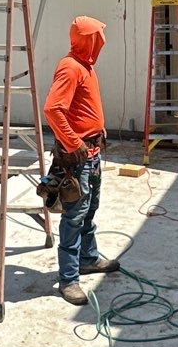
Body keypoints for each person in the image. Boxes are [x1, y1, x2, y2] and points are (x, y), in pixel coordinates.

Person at [42, 16, 120, 306]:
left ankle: (88, 258)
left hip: (92, 153)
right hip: (78, 159)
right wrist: (74, 143)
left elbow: (81, 108)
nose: (101, 42)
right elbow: (53, 109)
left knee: (90, 209)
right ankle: (69, 279)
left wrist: (97, 131)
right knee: (74, 216)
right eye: (97, 37)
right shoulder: (70, 67)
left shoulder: (86, 66)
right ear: (87, 39)